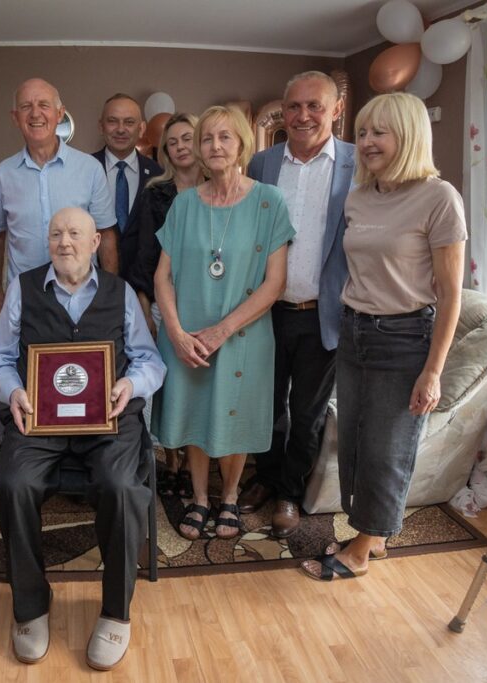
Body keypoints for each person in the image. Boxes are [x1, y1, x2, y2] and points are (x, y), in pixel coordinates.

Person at [0, 207, 165, 671]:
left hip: (108, 421)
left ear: (95, 243)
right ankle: (30, 605)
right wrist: (14, 390)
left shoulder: (120, 292)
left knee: (121, 488)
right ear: (47, 242)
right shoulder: (24, 289)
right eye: (56, 234)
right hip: (39, 420)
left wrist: (130, 385)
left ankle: (115, 612)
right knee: (15, 484)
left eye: (75, 234)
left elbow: (149, 361)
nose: (65, 242)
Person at [300, 92, 466, 581]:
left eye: (380, 132)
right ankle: (372, 534)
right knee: (354, 442)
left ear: (409, 135)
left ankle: (362, 549)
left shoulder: (440, 198)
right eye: (363, 132)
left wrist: (433, 372)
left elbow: (450, 296)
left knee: (386, 448)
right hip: (354, 331)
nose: (367, 142)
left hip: (404, 338)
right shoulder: (359, 196)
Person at [153, 105, 294, 541]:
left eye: (225, 137)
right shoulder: (183, 204)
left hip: (243, 334)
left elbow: (275, 283)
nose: (215, 145)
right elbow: (162, 276)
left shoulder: (269, 202)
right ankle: (199, 498)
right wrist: (176, 332)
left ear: (242, 145)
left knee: (233, 414)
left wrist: (222, 330)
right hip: (189, 335)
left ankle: (229, 497)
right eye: (207, 138)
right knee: (196, 413)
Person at [243, 71, 355, 538]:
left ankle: (290, 491)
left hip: (322, 315)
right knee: (264, 406)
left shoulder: (357, 164)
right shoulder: (262, 164)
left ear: (336, 110)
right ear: (283, 112)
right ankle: (267, 478)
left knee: (307, 414)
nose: (303, 115)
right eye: (294, 106)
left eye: (315, 106)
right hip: (266, 312)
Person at [0, 78, 116, 315]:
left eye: (44, 105)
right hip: (26, 298)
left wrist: (110, 292)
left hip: (82, 296)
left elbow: (106, 234)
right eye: (26, 106)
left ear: (60, 114)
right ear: (15, 118)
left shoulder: (89, 169)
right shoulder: (2, 174)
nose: (35, 113)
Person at [127, 112, 203, 497]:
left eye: (187, 138)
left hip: (207, 305)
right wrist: (144, 309)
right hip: (162, 302)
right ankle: (171, 461)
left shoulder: (220, 188)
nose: (180, 147)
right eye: (172, 143)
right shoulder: (155, 193)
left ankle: (194, 463)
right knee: (169, 387)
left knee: (199, 386)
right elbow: (143, 255)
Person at [91, 93, 163, 281]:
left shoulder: (158, 175)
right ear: (101, 126)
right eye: (112, 121)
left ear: (141, 128)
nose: (121, 129)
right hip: (93, 282)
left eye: (129, 122)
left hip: (144, 285)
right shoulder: (84, 169)